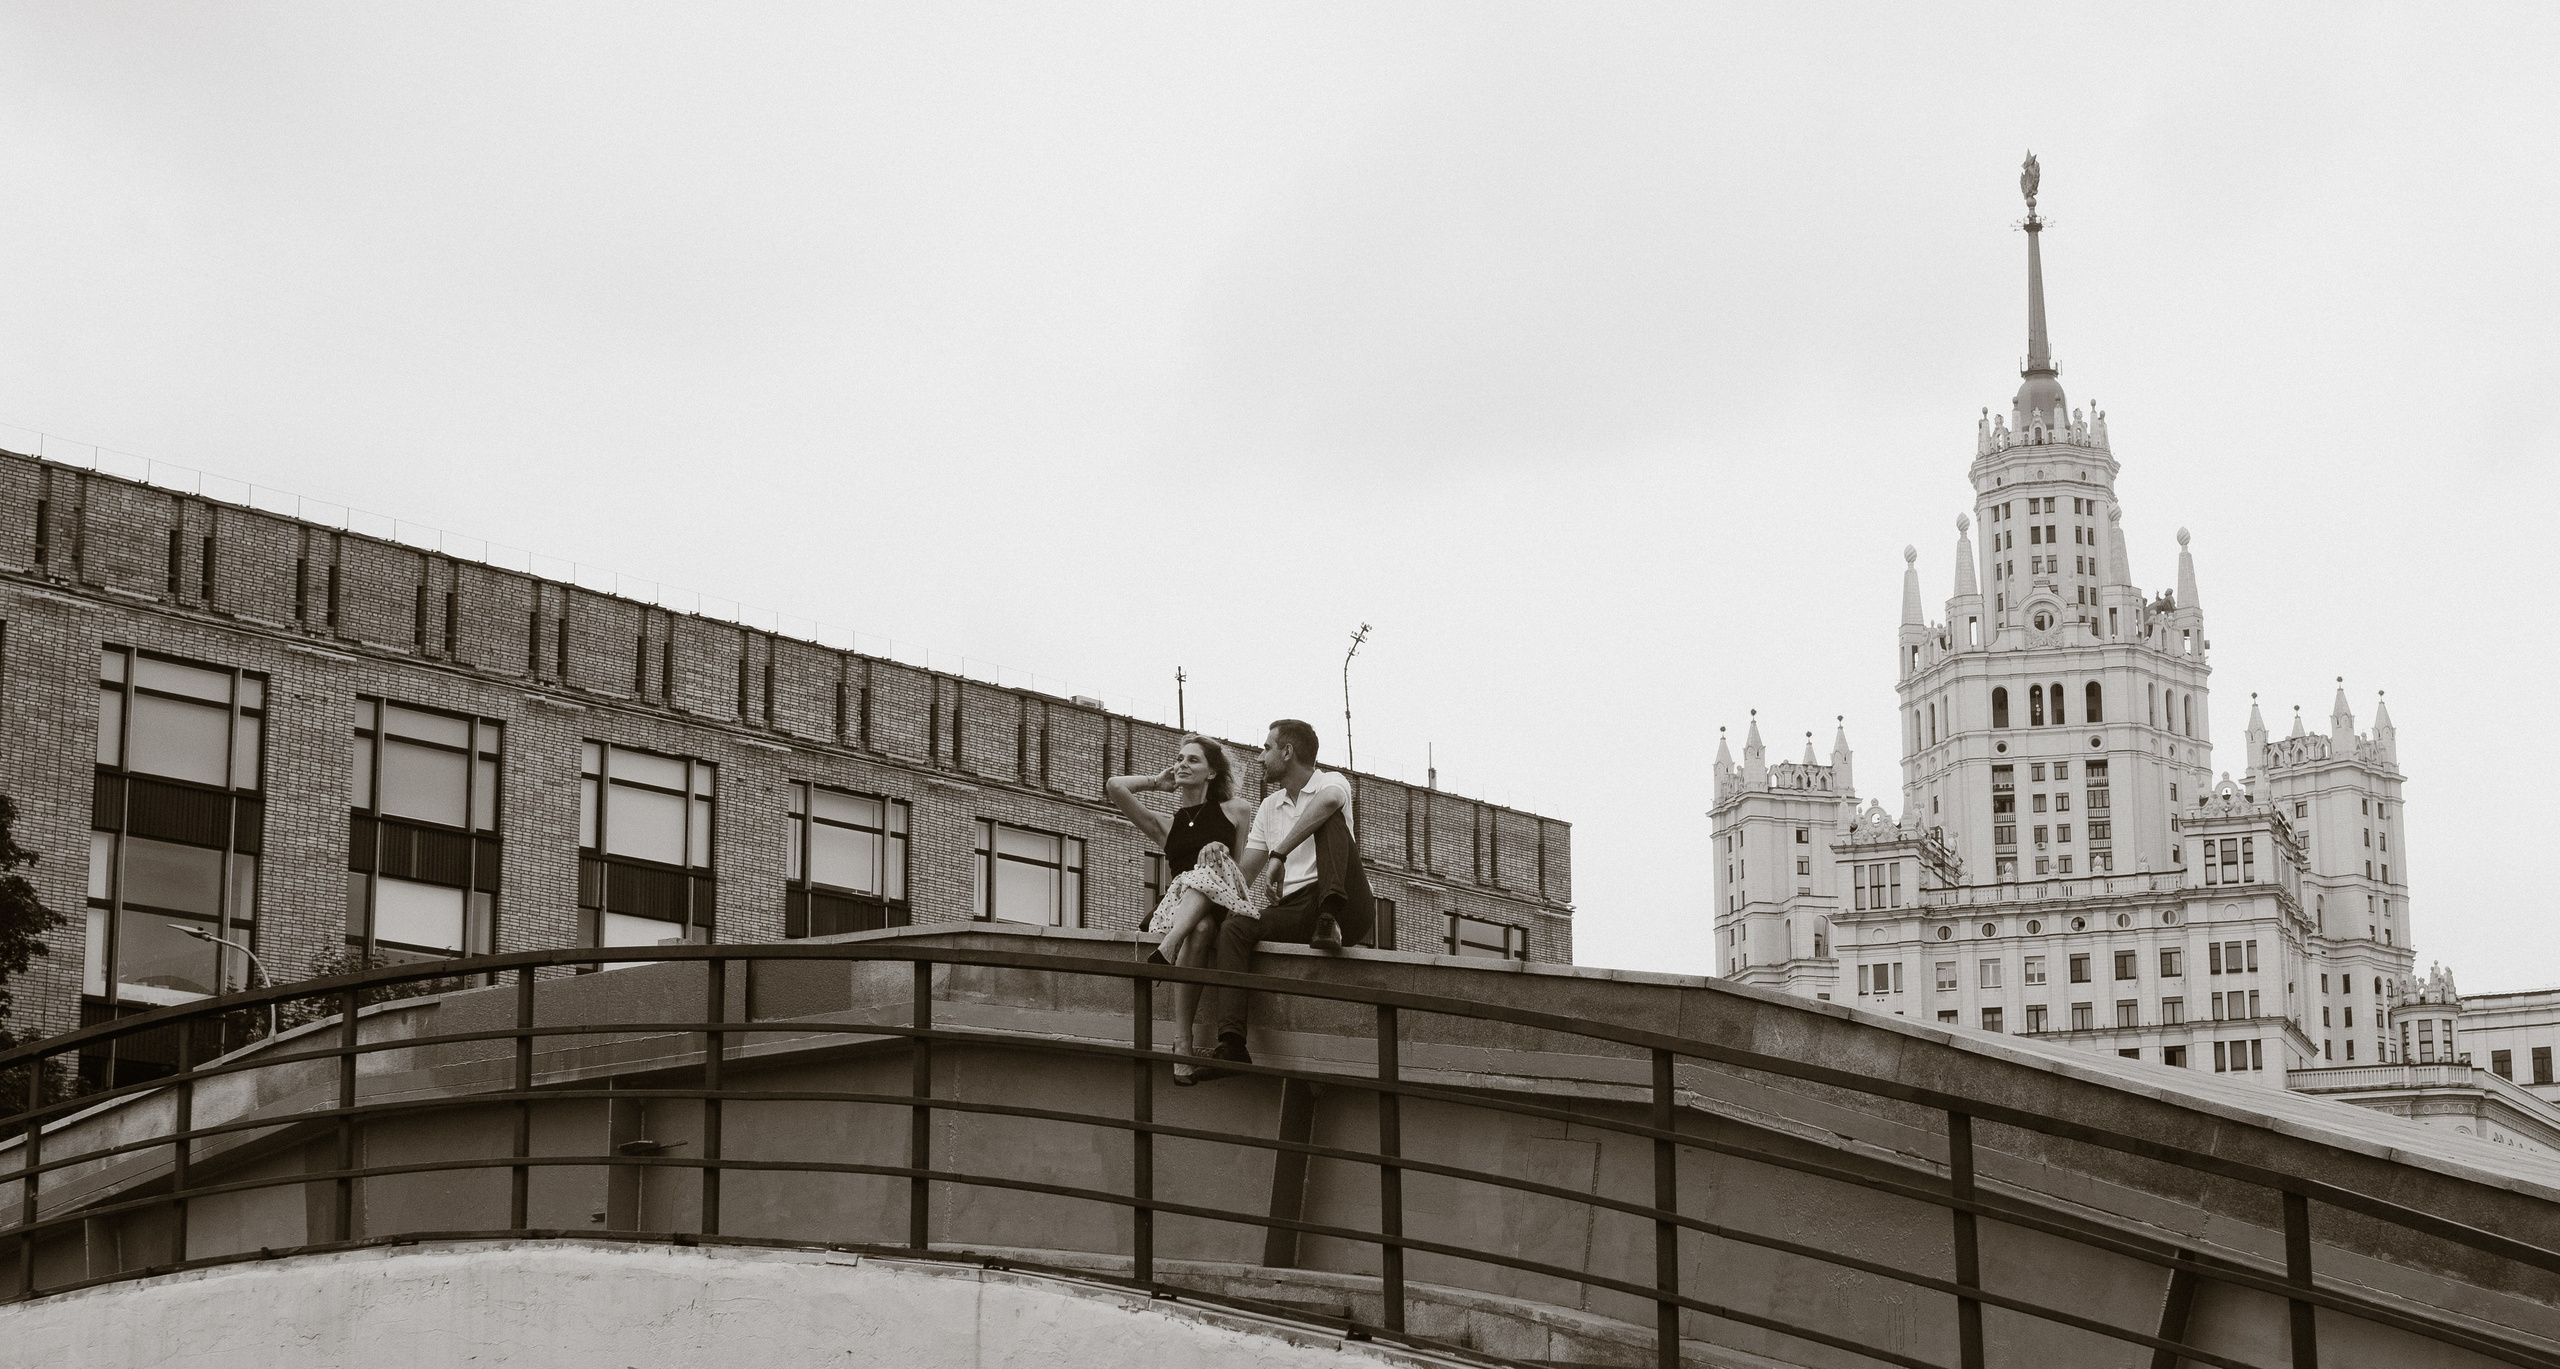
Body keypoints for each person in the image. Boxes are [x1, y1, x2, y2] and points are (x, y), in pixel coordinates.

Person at [1195, 719, 1376, 1080]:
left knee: (1328, 815)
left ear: (1288, 752)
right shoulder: (1269, 807)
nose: (1260, 757)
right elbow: (1242, 876)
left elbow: (1327, 803)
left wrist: (1279, 854)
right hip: (1297, 910)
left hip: (1345, 905)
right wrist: (1205, 871)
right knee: (1235, 927)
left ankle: (1330, 916)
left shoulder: (1332, 782)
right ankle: (1232, 1045)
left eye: (1266, 748)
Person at [1105, 735, 1258, 1080]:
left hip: (1223, 899)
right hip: (1181, 910)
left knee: (1210, 860)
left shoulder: (1238, 810)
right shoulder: (1166, 824)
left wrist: (1217, 848)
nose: (1183, 765)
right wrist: (1157, 782)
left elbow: (1237, 870)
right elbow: (1115, 786)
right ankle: (1182, 1044)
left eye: (1193, 760)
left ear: (1212, 772)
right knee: (1200, 928)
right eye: (1179, 759)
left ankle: (1170, 944)